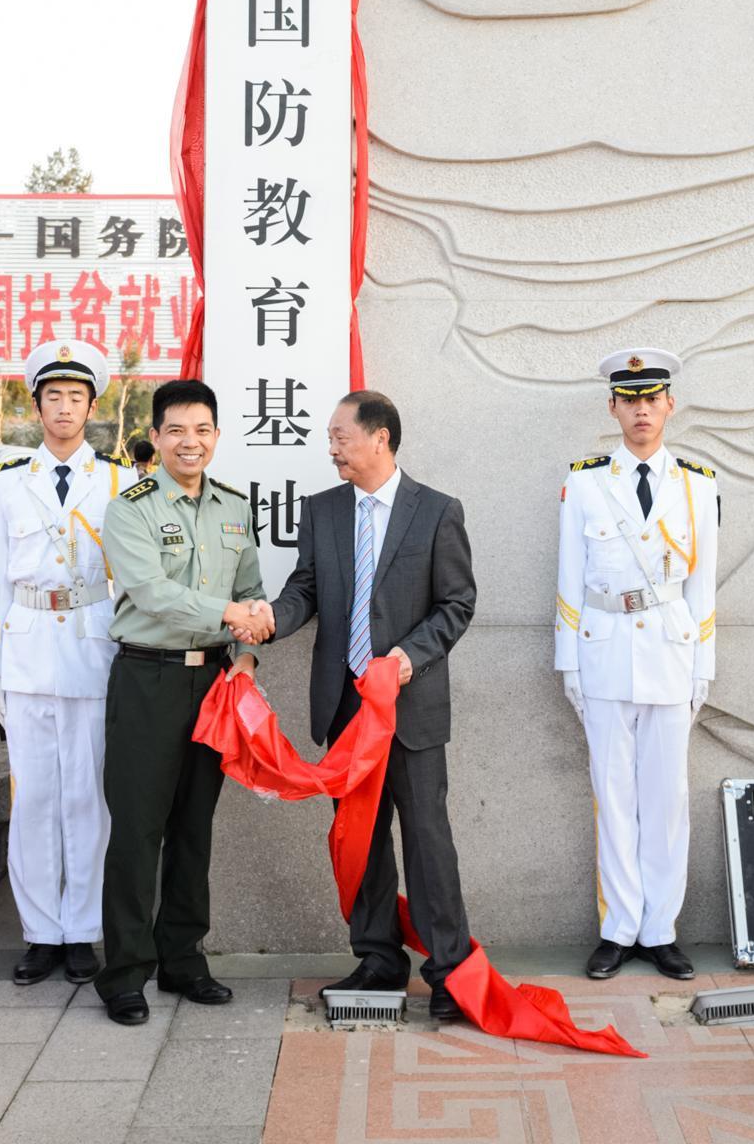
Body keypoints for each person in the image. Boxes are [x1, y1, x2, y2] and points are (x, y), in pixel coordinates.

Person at [258, 390, 478, 1020]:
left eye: (340, 437)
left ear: (380, 438)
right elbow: (306, 589)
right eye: (330, 439)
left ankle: (450, 972)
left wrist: (406, 658)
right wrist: (272, 618)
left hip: (409, 711)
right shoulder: (324, 510)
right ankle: (379, 958)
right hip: (346, 707)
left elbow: (457, 604)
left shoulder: (436, 511)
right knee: (362, 842)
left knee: (428, 841)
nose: (331, 449)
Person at [92, 378, 266, 1026]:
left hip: (213, 684)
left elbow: (250, 585)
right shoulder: (130, 508)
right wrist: (230, 613)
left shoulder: (234, 507)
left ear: (216, 438)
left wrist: (246, 656)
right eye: (176, 431)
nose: (189, 442)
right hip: (148, 682)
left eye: (202, 430)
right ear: (157, 437)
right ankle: (125, 973)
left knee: (195, 827)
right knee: (138, 832)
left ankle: (184, 959)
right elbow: (153, 591)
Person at [554, 347, 718, 983]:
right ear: (613, 407)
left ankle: (661, 929)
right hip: (603, 648)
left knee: (667, 796)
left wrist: (704, 663)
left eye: (653, 398)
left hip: (673, 653)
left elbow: (704, 585)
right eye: (631, 399)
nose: (642, 410)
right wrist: (568, 661)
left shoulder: (699, 485)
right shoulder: (586, 481)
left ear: (670, 405)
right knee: (613, 794)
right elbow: (569, 578)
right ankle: (619, 927)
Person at [0, 339, 128, 987]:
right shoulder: (9, 485)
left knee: (88, 797)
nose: (64, 408)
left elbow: (127, 579)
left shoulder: (119, 480)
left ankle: (84, 929)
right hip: (30, 651)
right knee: (34, 795)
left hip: (94, 647)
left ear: (92, 405)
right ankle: (40, 932)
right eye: (53, 397)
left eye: (76, 397)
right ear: (36, 406)